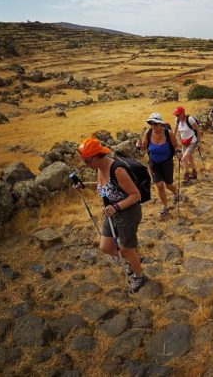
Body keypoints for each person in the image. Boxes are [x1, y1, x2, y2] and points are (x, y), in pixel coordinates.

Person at [76, 137, 147, 293]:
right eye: (84, 161)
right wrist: (84, 185)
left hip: (128, 213)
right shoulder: (99, 168)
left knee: (127, 248)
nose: (86, 165)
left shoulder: (118, 169)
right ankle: (133, 259)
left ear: (97, 155)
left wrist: (116, 207)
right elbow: (106, 186)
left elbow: (136, 195)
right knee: (106, 247)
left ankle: (140, 275)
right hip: (112, 212)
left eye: (87, 161)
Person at [139, 112, 182, 219]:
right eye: (151, 123)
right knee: (159, 185)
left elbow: (176, 146)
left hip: (167, 163)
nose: (153, 126)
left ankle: (176, 193)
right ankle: (165, 206)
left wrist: (178, 152)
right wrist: (139, 146)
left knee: (169, 184)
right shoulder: (148, 133)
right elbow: (143, 148)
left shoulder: (168, 133)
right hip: (154, 164)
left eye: (156, 124)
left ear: (161, 124)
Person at [172, 106, 202, 182]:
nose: (177, 116)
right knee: (189, 157)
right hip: (184, 142)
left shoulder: (190, 119)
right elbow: (175, 132)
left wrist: (199, 141)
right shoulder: (177, 120)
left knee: (184, 157)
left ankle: (186, 175)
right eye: (176, 115)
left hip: (192, 141)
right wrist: (172, 140)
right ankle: (194, 173)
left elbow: (198, 130)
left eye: (178, 115)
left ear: (183, 113)